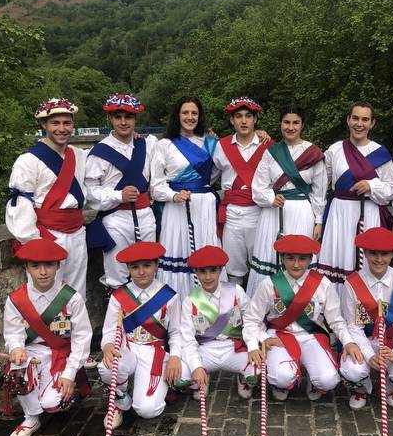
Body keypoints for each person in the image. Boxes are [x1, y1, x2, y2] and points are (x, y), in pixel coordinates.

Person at [3, 238, 92, 436]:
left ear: (58, 266)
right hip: (31, 354)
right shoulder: (16, 300)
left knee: (53, 404)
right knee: (17, 369)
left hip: (60, 355)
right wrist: (16, 348)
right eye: (35, 266)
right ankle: (31, 418)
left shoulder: (71, 298)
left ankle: (66, 393)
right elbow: (13, 332)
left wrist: (70, 373)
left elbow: (81, 338)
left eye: (49, 265)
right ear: (26, 268)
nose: (43, 272)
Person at [243, 234, 355, 401]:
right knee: (281, 377)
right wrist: (257, 342)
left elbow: (336, 320)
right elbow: (252, 319)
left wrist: (348, 342)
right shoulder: (269, 284)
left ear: (310, 259)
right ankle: (281, 384)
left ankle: (314, 380)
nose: (296, 264)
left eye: (302, 259)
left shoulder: (322, 284)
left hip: (312, 335)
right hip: (280, 336)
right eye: (290, 258)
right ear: (282, 259)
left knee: (328, 380)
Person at [6, 98, 88, 298]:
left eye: (67, 123)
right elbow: (20, 204)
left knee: (76, 293)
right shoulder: (27, 161)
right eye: (55, 123)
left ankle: (76, 320)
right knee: (46, 294)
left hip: (77, 233)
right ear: (44, 124)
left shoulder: (79, 155)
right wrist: (34, 241)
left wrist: (134, 137)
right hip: (47, 235)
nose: (62, 129)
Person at [97, 241, 181, 428]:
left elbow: (176, 332)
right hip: (127, 348)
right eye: (135, 267)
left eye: (147, 265)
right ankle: (119, 400)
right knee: (107, 367)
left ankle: (146, 386)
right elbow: (110, 330)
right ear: (128, 269)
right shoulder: (119, 296)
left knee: (148, 410)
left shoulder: (170, 296)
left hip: (154, 352)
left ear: (156, 265)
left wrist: (175, 356)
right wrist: (108, 345)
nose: (141, 272)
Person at [317, 102, 393, 294]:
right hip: (340, 214)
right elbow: (319, 182)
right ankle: (334, 305)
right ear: (348, 120)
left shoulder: (380, 152)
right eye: (355, 118)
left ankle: (366, 304)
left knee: (367, 260)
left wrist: (371, 186)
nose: (359, 124)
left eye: (365, 119)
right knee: (339, 256)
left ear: (372, 123)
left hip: (368, 214)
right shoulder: (335, 150)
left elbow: (391, 188)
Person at [247, 104, 327, 296]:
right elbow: (258, 186)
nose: (291, 127)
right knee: (271, 256)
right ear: (280, 124)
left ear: (302, 125)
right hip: (273, 213)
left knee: (299, 256)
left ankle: (302, 304)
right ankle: (267, 303)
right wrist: (270, 198)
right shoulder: (270, 152)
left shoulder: (313, 153)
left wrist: (318, 221)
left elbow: (319, 191)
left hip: (302, 213)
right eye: (286, 122)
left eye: (295, 123)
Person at [339, 227, 393, 410]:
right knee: (353, 371)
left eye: (384, 254)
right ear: (365, 253)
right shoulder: (352, 283)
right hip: (363, 340)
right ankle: (361, 388)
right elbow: (353, 327)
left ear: (392, 254)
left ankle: (391, 388)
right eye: (373, 253)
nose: (378, 259)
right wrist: (369, 356)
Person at [85, 93, 158, 292]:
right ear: (110, 118)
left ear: (136, 119)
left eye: (128, 117)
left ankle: (149, 312)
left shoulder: (147, 144)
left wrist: (207, 137)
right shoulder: (99, 152)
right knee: (117, 274)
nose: (123, 122)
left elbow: (174, 152)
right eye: (118, 117)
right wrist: (118, 196)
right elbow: (90, 193)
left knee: (149, 270)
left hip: (146, 216)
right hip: (116, 219)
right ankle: (119, 312)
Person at [151, 96, 221, 296]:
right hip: (177, 207)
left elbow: (216, 171)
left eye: (194, 113)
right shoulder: (164, 145)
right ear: (177, 115)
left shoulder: (209, 143)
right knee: (179, 252)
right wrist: (173, 196)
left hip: (204, 207)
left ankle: (207, 306)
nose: (190, 117)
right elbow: (155, 186)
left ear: (200, 116)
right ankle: (177, 304)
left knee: (205, 255)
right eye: (185, 113)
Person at [177, 245, 258, 400]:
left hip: (233, 347)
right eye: (202, 271)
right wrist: (196, 366)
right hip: (205, 350)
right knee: (181, 374)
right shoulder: (190, 301)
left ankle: (243, 379)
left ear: (221, 270)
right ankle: (201, 377)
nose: (208, 277)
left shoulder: (236, 291)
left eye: (213, 270)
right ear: (196, 272)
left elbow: (251, 320)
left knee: (257, 370)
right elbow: (187, 338)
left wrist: (253, 346)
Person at [212, 97, 273, 286]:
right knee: (233, 268)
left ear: (255, 119)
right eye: (238, 116)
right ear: (232, 120)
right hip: (232, 214)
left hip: (260, 212)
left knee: (262, 265)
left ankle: (261, 303)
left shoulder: (268, 146)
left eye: (248, 116)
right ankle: (234, 303)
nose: (244, 121)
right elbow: (209, 177)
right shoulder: (221, 146)